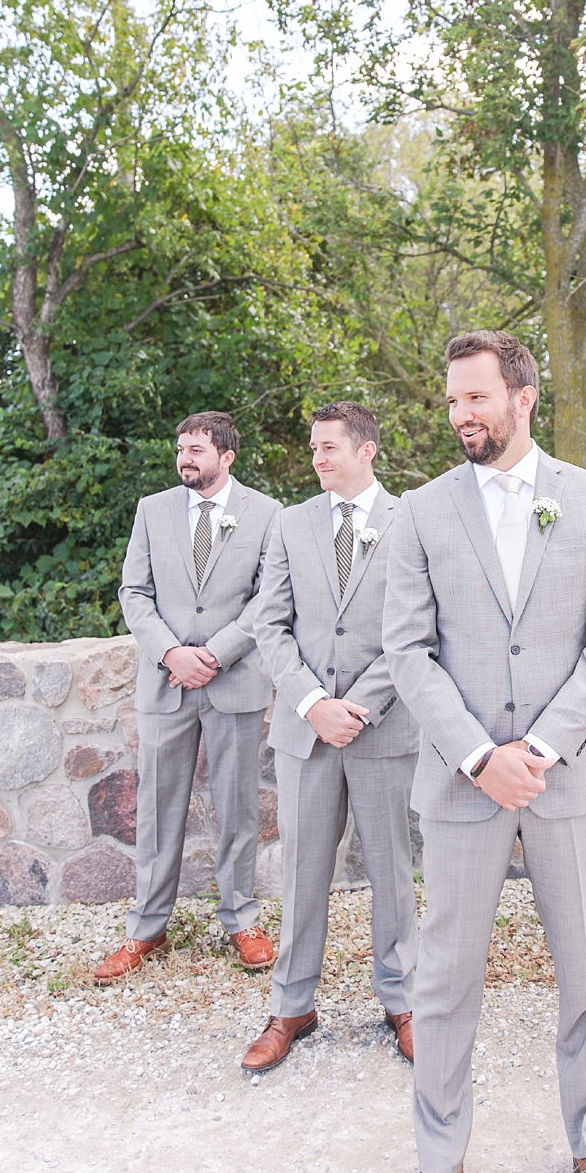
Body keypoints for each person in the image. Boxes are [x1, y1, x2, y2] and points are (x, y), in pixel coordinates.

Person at [383, 331, 586, 1173]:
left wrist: (533, 747)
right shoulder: (418, 511)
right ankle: (438, 1163)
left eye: (477, 398)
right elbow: (406, 652)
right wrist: (475, 756)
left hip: (563, 779)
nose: (462, 415)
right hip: (459, 788)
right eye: (453, 400)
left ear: (523, 398)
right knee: (446, 978)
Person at [242, 401, 420, 1072]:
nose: (318, 458)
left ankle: (401, 1000)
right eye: (313, 447)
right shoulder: (290, 525)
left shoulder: (413, 523)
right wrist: (315, 703)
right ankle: (292, 1006)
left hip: (383, 729)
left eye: (329, 447)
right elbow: (270, 625)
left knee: (391, 872)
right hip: (306, 731)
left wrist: (360, 704)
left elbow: (416, 629)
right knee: (303, 871)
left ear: (366, 450)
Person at [98, 412, 283, 982]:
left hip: (234, 681)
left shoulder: (267, 513)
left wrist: (217, 653)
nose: (185, 459)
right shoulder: (152, 511)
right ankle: (147, 928)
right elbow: (134, 590)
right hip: (166, 682)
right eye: (181, 449)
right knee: (157, 809)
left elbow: (269, 597)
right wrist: (171, 653)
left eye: (197, 450)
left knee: (237, 809)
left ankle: (241, 919)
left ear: (226, 456)